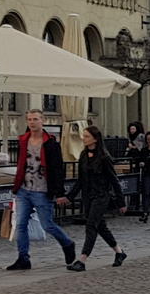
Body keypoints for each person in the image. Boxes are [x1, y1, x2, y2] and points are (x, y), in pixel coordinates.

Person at [8, 109, 75, 272]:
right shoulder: (23, 140)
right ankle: (23, 258)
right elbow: (21, 164)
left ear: (42, 121)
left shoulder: (51, 143)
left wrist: (59, 192)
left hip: (42, 189)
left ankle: (67, 243)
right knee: (21, 224)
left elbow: (57, 169)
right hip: (24, 189)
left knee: (47, 225)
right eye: (30, 119)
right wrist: (16, 186)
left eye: (35, 119)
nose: (32, 122)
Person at [69, 125, 126, 272]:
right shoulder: (83, 155)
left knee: (91, 226)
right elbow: (80, 180)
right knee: (101, 226)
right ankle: (119, 252)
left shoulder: (104, 158)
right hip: (88, 196)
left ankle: (82, 259)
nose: (83, 138)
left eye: (87, 136)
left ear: (95, 138)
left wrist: (121, 202)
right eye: (84, 135)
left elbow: (114, 180)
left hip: (101, 196)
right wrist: (70, 197)